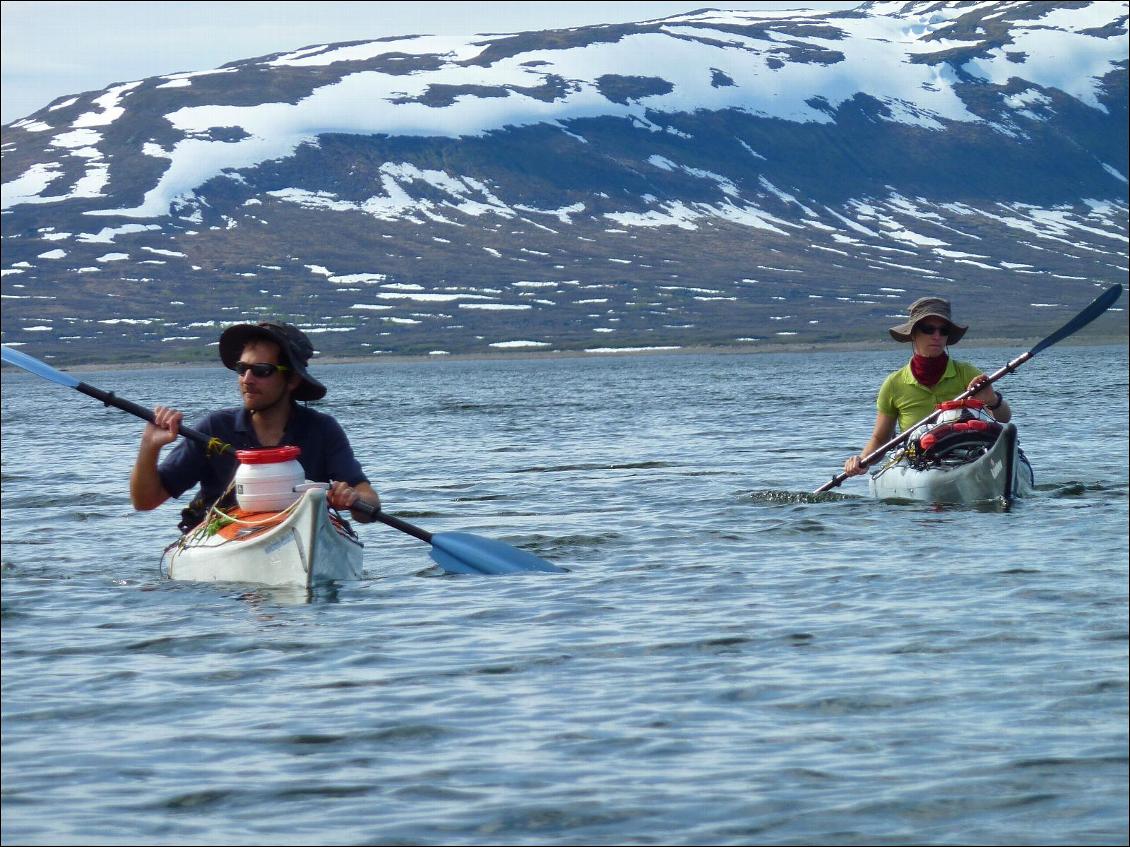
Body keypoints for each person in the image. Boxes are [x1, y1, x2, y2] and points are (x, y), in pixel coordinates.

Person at [130, 321, 380, 529]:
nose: (247, 380)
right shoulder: (214, 428)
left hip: (304, 531)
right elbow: (145, 501)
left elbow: (369, 502)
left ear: (292, 380)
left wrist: (353, 499)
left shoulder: (323, 429)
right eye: (242, 368)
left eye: (261, 370)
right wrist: (149, 446)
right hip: (222, 539)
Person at [843, 296, 1011, 477]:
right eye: (928, 329)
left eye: (943, 330)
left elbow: (1004, 419)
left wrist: (993, 400)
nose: (937, 336)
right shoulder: (893, 384)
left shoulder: (968, 373)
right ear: (914, 334)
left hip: (967, 456)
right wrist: (861, 460)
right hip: (918, 463)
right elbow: (880, 439)